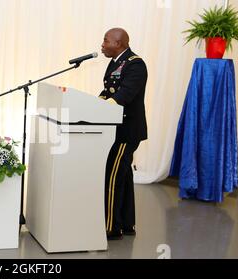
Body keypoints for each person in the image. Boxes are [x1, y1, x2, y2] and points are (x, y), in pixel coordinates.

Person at [99, 28, 148, 240]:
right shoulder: (116, 61)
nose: (102, 44)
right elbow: (108, 90)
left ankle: (111, 227)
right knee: (124, 176)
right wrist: (92, 105)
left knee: (112, 177)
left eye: (105, 40)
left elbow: (124, 95)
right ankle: (126, 224)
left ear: (118, 43)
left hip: (126, 132)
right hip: (116, 128)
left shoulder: (135, 64)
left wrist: (100, 107)